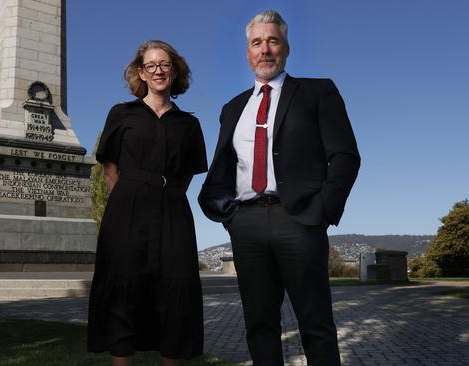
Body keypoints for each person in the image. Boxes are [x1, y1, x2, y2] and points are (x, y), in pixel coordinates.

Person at [198, 10, 360, 366]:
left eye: (273, 41)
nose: (265, 49)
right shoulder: (232, 108)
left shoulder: (318, 91)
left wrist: (320, 212)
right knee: (259, 326)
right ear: (247, 52)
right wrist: (232, 218)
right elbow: (225, 168)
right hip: (247, 226)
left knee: (315, 324)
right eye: (257, 43)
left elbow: (346, 156)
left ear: (286, 48)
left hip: (299, 221)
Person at [88, 40, 207, 366]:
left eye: (164, 64)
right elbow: (109, 169)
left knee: (175, 292)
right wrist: (130, 197)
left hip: (172, 212)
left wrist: (163, 192)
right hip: (126, 212)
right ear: (141, 72)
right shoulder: (121, 113)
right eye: (151, 65)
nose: (158, 70)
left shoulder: (189, 124)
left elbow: (187, 175)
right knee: (123, 293)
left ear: (174, 70)